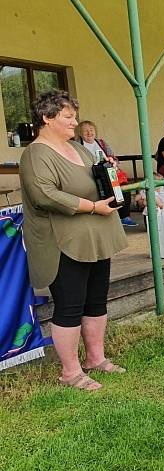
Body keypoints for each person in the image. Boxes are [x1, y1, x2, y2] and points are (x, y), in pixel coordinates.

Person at [19, 90, 127, 392]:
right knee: (69, 306)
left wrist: (107, 169)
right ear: (47, 117)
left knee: (95, 301)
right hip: (62, 242)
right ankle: (70, 371)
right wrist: (92, 206)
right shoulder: (35, 154)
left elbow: (94, 178)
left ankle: (96, 358)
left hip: (95, 237)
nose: (75, 122)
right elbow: (45, 195)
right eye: (68, 117)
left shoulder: (78, 148)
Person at [75, 120, 137, 227]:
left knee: (124, 188)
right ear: (80, 133)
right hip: (89, 174)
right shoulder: (78, 145)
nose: (89, 133)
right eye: (86, 131)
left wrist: (113, 163)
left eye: (91, 130)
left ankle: (124, 216)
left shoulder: (101, 143)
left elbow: (113, 157)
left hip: (108, 171)